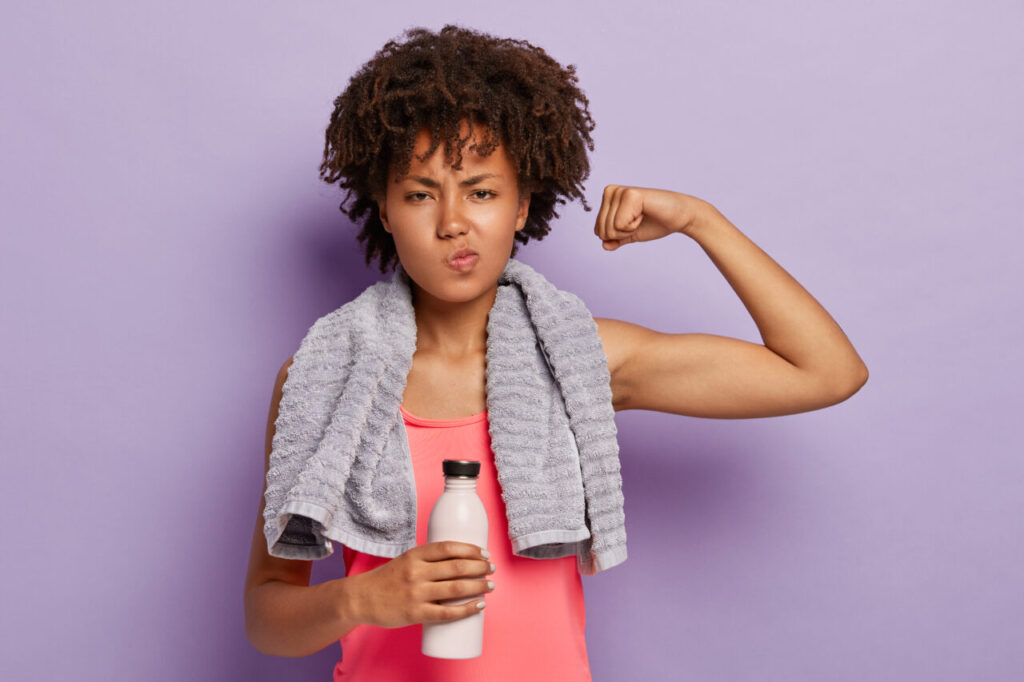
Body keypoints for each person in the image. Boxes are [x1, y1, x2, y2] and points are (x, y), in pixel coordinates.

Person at [243, 24, 868, 680]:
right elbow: (266, 615)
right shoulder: (322, 376)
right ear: (386, 207)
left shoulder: (576, 359)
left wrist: (698, 221)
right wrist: (359, 598)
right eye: (421, 193)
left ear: (521, 206)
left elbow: (828, 372)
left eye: (481, 191)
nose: (452, 220)